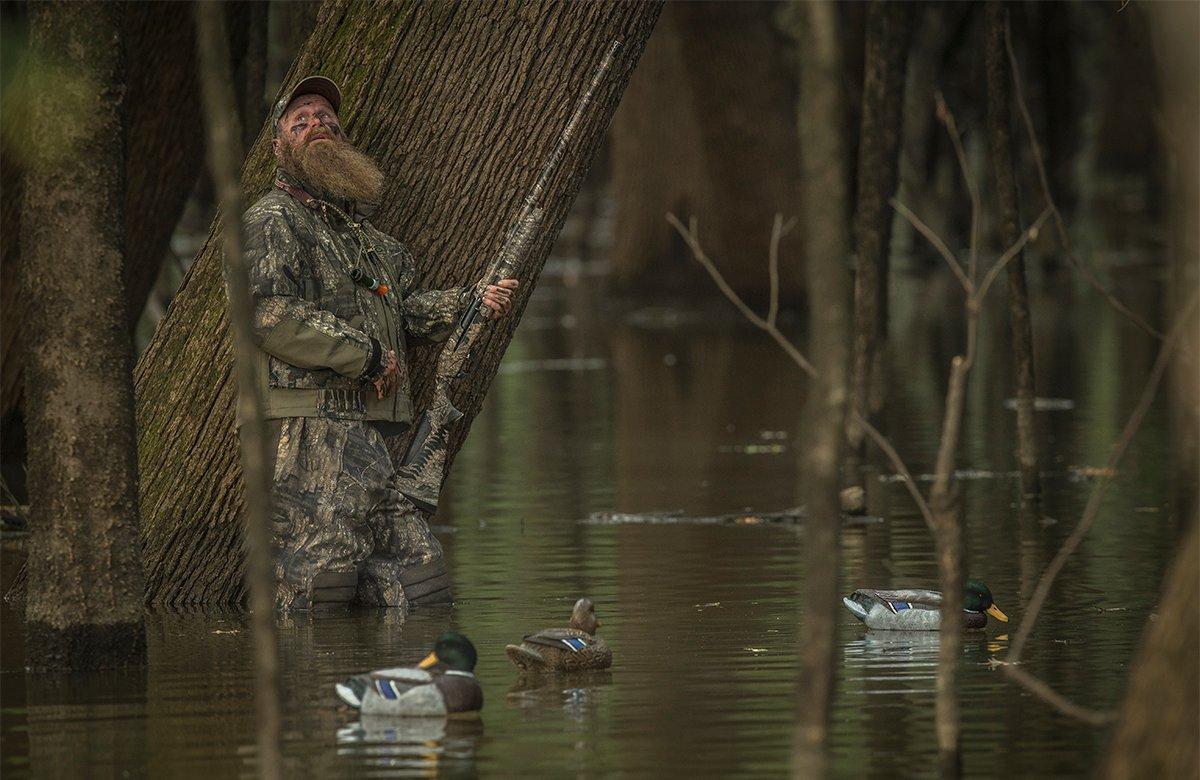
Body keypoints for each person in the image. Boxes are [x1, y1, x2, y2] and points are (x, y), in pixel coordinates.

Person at [239, 76, 518, 610]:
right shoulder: (271, 221)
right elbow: (266, 312)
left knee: (418, 579)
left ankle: (395, 684)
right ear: (279, 148)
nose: (317, 125)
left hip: (372, 433)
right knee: (320, 577)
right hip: (309, 430)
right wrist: (364, 356)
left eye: (326, 119)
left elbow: (406, 312)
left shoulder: (369, 240)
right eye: (300, 123)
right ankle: (313, 688)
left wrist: (470, 303)